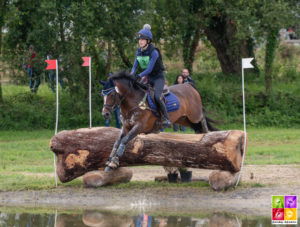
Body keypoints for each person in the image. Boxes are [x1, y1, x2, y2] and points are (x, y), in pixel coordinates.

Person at [130, 24, 171, 128]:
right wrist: (131, 75)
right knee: (137, 93)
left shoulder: (154, 52)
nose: (140, 41)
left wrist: (139, 75)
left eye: (143, 39)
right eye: (139, 39)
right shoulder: (138, 51)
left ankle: (166, 118)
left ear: (148, 41)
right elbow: (134, 66)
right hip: (148, 77)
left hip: (158, 77)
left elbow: (149, 69)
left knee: (157, 97)